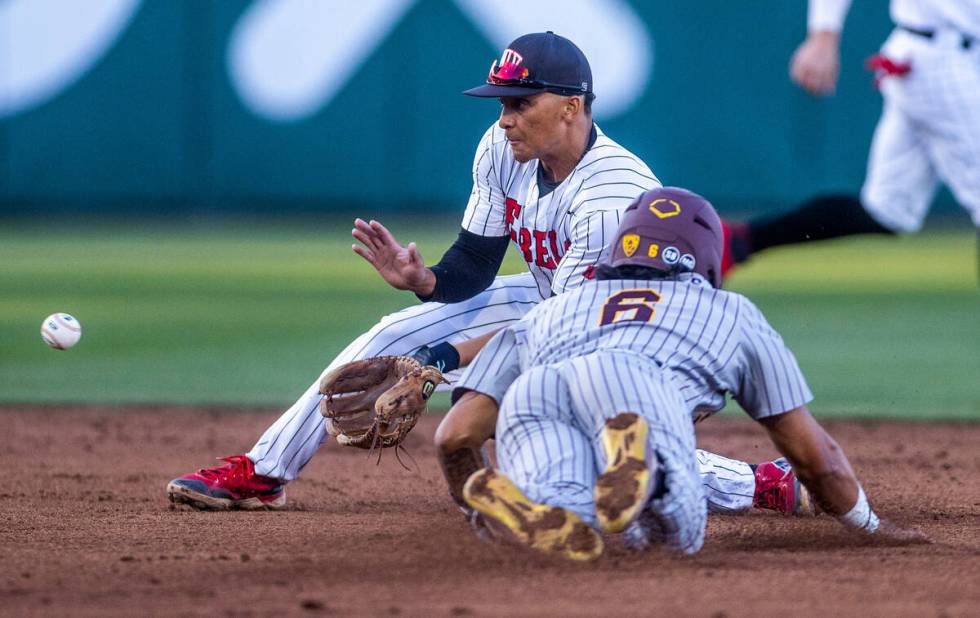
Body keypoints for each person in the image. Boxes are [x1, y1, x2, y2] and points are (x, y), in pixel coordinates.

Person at [166, 32, 800, 516]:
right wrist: (425, 283)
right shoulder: (505, 147)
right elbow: (475, 263)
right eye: (501, 101)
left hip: (634, 337)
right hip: (558, 299)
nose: (505, 117)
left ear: (572, 107)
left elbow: (558, 336)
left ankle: (758, 483)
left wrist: (444, 360)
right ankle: (263, 471)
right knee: (396, 333)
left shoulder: (609, 196)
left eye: (521, 103)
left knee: (568, 432)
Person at [451, 186, 929, 560]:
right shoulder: (728, 311)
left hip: (536, 394)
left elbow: (455, 436)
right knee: (672, 534)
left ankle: (536, 501)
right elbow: (816, 457)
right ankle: (649, 472)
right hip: (634, 388)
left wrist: (470, 504)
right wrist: (871, 526)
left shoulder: (555, 309)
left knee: (564, 512)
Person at [723, 0, 980, 274]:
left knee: (887, 209)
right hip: (942, 56)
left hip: (951, 55)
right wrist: (823, 35)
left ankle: (735, 241)